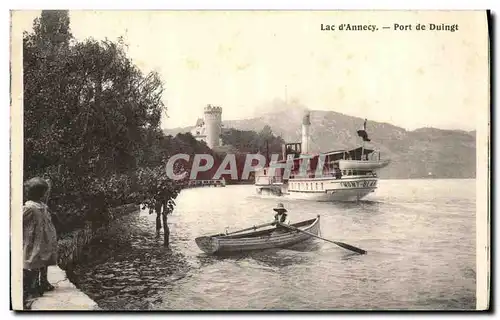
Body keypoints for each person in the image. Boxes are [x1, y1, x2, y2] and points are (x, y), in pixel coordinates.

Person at [23, 177, 58, 307]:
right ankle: (40, 284)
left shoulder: (31, 207)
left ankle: (37, 286)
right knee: (40, 262)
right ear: (42, 194)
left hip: (37, 240)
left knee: (35, 263)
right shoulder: (38, 206)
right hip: (43, 239)